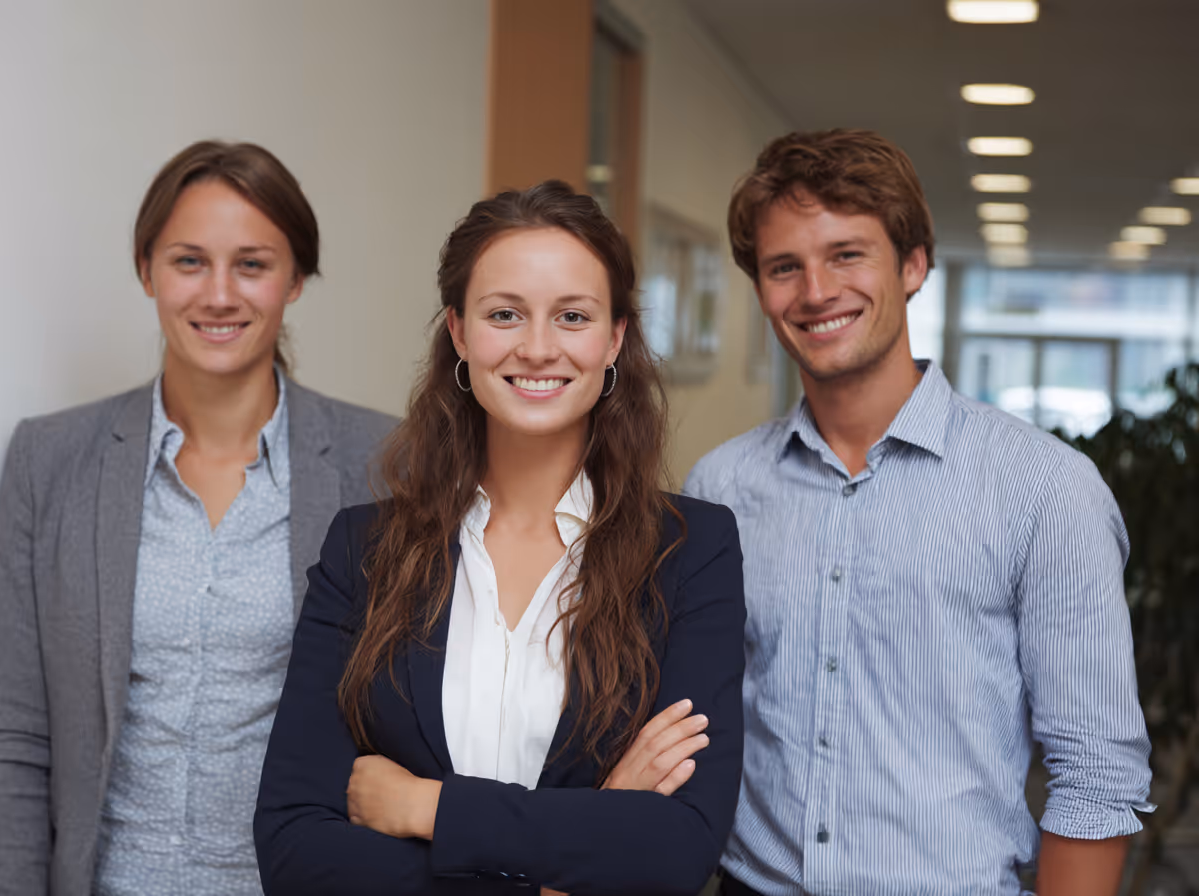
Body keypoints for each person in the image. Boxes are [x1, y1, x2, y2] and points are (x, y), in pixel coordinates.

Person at [685, 128, 1154, 896]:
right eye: (784, 267)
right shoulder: (720, 487)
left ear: (913, 266)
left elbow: (1097, 774)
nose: (815, 291)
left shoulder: (1045, 488)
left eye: (846, 254)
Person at [254, 180, 746, 895]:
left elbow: (679, 847)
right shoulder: (363, 552)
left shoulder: (691, 552)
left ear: (615, 339)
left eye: (572, 316)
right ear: (458, 331)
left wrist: (429, 807)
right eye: (505, 314)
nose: (538, 348)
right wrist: (583, 842)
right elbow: (295, 850)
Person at [0, 140, 394, 896]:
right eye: (189, 261)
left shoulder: (386, 464)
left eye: (252, 264)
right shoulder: (49, 460)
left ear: (295, 280)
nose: (219, 295)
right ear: (146, 271)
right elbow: (11, 739)